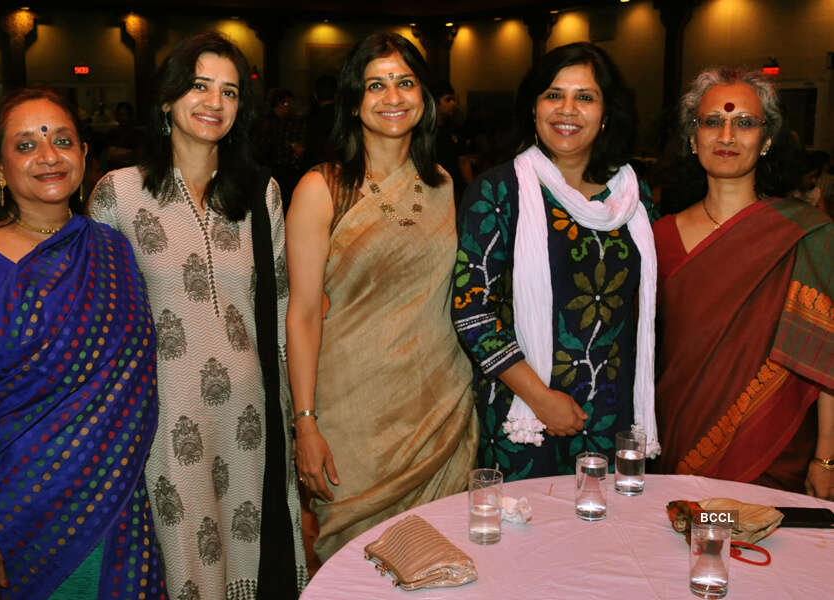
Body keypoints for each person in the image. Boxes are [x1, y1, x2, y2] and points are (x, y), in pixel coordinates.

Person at [88, 32, 306, 599]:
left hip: (252, 413)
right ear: (167, 99)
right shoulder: (119, 194)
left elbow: (281, 306)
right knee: (184, 552)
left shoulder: (262, 195)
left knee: (253, 554)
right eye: (198, 86)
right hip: (164, 412)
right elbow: (96, 320)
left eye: (229, 91)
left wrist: (300, 415)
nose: (213, 102)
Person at [0, 88, 165, 599]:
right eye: (25, 146)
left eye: (62, 140)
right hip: (9, 518)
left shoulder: (112, 250)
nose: (48, 156)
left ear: (85, 154)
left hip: (116, 508)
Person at [286, 32, 478, 562]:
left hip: (438, 410)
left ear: (425, 97)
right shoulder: (321, 189)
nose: (393, 97)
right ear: (353, 101)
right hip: (352, 415)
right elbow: (301, 314)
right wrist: (305, 422)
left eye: (405, 82)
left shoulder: (442, 183)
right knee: (355, 565)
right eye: (376, 85)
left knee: (440, 564)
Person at [451, 42, 660, 480]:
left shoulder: (632, 198)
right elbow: (473, 312)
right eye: (553, 95)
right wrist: (542, 398)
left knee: (612, 541)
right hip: (523, 414)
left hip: (612, 411)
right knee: (526, 541)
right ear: (533, 107)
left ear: (606, 113)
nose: (567, 109)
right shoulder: (499, 192)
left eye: (584, 97)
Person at [653, 67, 833, 499]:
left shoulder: (808, 234)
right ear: (692, 138)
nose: (727, 135)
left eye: (745, 122)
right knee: (689, 547)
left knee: (763, 555)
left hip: (774, 449)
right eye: (712, 121)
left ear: (766, 139)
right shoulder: (655, 236)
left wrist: (827, 457)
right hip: (679, 441)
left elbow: (825, 356)